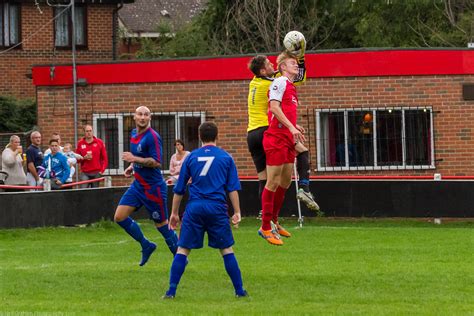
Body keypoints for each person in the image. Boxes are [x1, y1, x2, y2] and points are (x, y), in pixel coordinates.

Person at [163, 122, 247, 299]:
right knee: (226, 249)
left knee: (183, 249)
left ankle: (171, 291)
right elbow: (232, 188)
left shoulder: (191, 157)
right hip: (216, 207)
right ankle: (240, 291)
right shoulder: (226, 157)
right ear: (217, 136)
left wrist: (174, 213)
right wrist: (237, 211)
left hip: (195, 207)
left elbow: (179, 188)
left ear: (200, 137)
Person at [247, 48, 319, 215]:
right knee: (302, 151)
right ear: (263, 70)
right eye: (269, 64)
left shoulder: (254, 81)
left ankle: (264, 213)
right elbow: (298, 78)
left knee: (265, 179)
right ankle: (304, 187)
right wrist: (298, 54)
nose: (273, 65)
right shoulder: (275, 82)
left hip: (251, 134)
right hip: (267, 130)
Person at [114, 106, 178, 267]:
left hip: (153, 188)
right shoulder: (134, 134)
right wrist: (132, 166)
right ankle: (146, 245)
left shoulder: (153, 137)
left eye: (146, 115)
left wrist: (134, 159)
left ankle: (180, 258)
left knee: (162, 225)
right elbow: (141, 157)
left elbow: (156, 162)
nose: (142, 117)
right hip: (138, 185)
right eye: (139, 114)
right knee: (119, 217)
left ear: (150, 118)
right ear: (134, 117)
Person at [258, 51, 306, 246]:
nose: (296, 65)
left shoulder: (291, 86)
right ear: (283, 67)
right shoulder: (279, 82)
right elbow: (274, 107)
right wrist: (290, 126)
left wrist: (295, 125)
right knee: (273, 181)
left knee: (285, 182)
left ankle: (274, 221)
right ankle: (265, 227)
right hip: (276, 138)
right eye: (292, 63)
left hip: (286, 137)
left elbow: (283, 111)